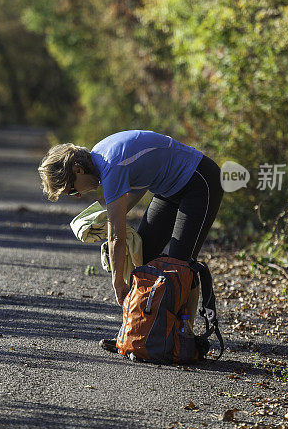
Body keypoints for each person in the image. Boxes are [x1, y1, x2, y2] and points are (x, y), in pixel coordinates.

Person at [37, 130, 223, 350]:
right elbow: (139, 182)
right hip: (169, 190)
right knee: (144, 255)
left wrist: (118, 283)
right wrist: (113, 217)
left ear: (78, 170)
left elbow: (117, 236)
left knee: (180, 263)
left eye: (70, 190)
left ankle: (184, 338)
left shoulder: (110, 167)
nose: (77, 196)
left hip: (200, 182)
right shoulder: (100, 157)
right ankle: (135, 335)